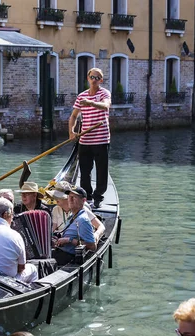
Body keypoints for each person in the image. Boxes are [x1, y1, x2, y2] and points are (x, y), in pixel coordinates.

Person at [68, 67, 112, 209]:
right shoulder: (81, 96)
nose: (94, 80)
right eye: (92, 77)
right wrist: (71, 131)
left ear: (101, 80)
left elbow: (106, 106)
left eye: (97, 78)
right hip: (85, 139)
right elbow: (74, 116)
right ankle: (86, 196)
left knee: (101, 170)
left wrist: (91, 103)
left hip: (101, 139)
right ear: (88, 78)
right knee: (85, 170)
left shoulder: (104, 93)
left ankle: (98, 197)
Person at [52, 186, 97, 266]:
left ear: (83, 201)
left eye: (74, 197)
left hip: (67, 258)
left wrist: (70, 240)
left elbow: (92, 246)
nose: (70, 199)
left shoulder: (83, 220)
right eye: (69, 197)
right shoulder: (73, 216)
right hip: (61, 252)